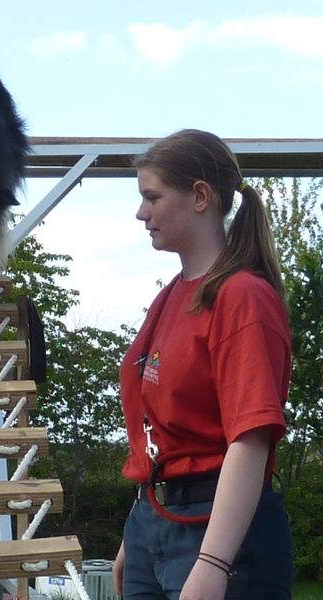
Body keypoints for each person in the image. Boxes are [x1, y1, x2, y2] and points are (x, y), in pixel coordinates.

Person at [112, 129, 293, 600]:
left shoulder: (242, 297)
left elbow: (250, 438)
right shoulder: (170, 297)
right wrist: (139, 531)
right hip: (156, 523)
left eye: (151, 196)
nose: (140, 212)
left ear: (199, 196)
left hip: (216, 528)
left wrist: (213, 563)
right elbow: (157, 429)